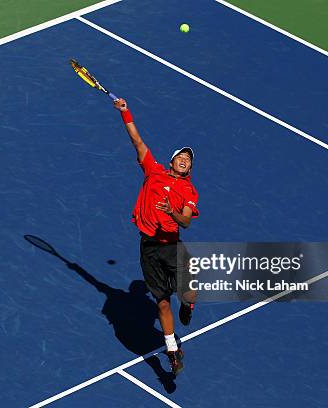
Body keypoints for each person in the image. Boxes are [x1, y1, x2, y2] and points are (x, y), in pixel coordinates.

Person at [113, 97, 199, 375]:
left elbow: (185, 221)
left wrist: (171, 213)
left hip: (172, 245)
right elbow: (137, 142)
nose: (184, 160)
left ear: (189, 169)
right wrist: (126, 113)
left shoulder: (189, 191)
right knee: (162, 302)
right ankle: (172, 352)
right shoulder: (153, 172)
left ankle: (187, 305)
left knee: (189, 292)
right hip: (149, 247)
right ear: (171, 161)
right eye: (181, 157)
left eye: (188, 160)